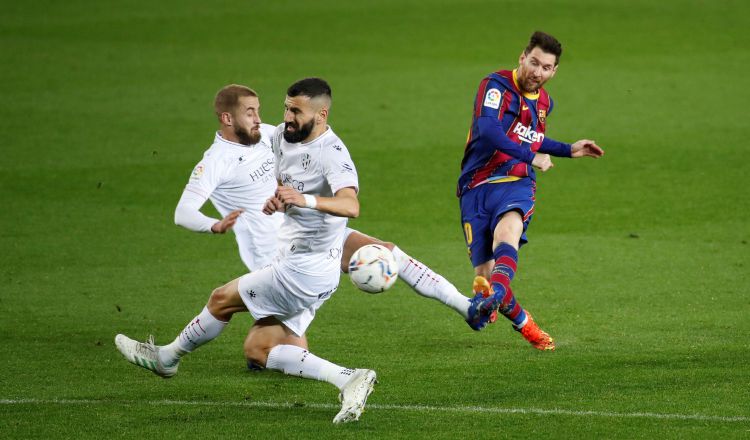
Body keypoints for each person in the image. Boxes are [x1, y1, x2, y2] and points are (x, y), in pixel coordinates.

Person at [116, 78, 377, 424]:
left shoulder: (332, 152)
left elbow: (351, 205)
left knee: (220, 300)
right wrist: (283, 201)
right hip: (313, 267)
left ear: (321, 114)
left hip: (303, 269)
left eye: (295, 110)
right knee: (261, 349)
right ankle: (346, 378)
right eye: (285, 107)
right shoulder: (285, 139)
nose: (285, 116)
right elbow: (294, 185)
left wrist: (304, 200)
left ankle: (167, 358)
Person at [173, 85, 497, 336]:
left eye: (258, 111)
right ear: (228, 119)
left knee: (386, 252)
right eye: (249, 113)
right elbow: (184, 212)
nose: (260, 118)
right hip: (278, 257)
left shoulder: (269, 136)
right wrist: (214, 225)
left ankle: (467, 308)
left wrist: (298, 191)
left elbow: (302, 162)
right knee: (262, 351)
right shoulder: (217, 161)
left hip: (313, 236)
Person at [457, 31, 605, 350]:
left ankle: (524, 325)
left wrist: (568, 149)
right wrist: (533, 156)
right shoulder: (494, 85)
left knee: (507, 235)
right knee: (486, 280)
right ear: (522, 57)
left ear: (554, 72)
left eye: (546, 67)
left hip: (516, 182)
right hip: (475, 185)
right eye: (534, 62)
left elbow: (531, 139)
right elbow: (489, 129)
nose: (538, 72)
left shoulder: (544, 104)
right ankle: (520, 317)